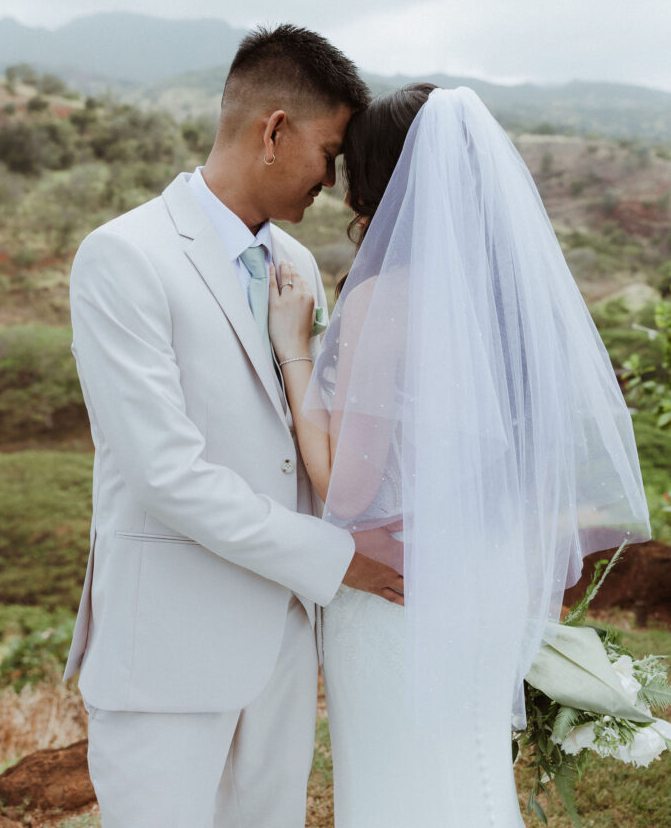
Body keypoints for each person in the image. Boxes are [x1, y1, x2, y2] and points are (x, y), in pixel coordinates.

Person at [268, 84, 651, 827]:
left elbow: (348, 488)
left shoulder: (387, 297)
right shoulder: (501, 301)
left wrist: (293, 354)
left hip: (397, 586)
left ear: (377, 177)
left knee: (401, 781)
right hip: (483, 572)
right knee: (469, 774)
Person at [62, 24, 404, 828]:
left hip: (282, 649)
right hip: (167, 656)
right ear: (274, 131)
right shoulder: (124, 256)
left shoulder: (297, 267)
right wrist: (339, 558)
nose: (337, 177)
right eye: (330, 150)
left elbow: (307, 441)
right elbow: (165, 473)